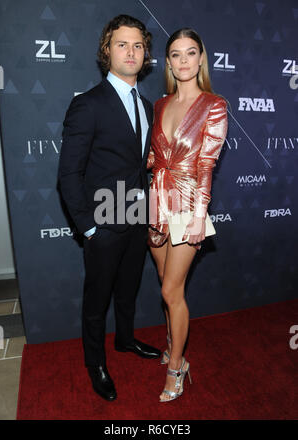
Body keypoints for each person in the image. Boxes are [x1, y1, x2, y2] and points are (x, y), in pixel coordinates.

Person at [58, 14, 161, 402]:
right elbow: (68, 174)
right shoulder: (88, 104)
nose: (131, 52)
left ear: (146, 53)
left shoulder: (148, 106)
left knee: (128, 289)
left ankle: (126, 340)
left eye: (138, 45)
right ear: (107, 51)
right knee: (97, 299)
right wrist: (88, 228)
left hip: (136, 217)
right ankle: (95, 362)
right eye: (122, 44)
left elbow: (140, 166)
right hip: (102, 221)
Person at [147, 28, 228, 402]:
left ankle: (176, 365)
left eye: (190, 53)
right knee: (166, 285)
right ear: (168, 62)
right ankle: (170, 342)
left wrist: (200, 215)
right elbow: (154, 158)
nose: (183, 60)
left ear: (200, 59)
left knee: (170, 290)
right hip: (157, 201)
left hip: (188, 204)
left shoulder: (214, 104)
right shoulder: (160, 104)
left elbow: (206, 164)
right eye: (176, 54)